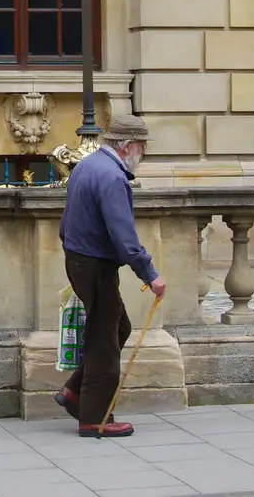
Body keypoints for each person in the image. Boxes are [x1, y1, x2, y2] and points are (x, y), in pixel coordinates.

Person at [54, 114, 165, 438]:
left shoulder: (87, 166)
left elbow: (65, 226)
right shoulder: (112, 177)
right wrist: (150, 275)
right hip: (95, 265)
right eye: (142, 147)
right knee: (104, 341)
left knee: (118, 327)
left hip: (79, 259)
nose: (143, 154)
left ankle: (74, 392)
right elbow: (124, 238)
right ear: (127, 145)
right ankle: (95, 418)